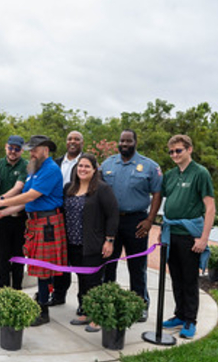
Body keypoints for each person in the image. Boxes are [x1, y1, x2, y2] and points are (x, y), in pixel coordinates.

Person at [0, 135, 67, 327]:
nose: (31, 153)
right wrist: (3, 212)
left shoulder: (50, 169)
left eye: (35, 150)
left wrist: (2, 201)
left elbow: (32, 195)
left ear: (46, 150)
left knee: (43, 268)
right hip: (37, 222)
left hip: (47, 223)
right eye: (30, 150)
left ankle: (43, 310)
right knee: (39, 267)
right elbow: (25, 199)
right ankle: (41, 302)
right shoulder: (34, 169)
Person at [100, 129, 162, 322]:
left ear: (135, 142)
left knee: (137, 266)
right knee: (108, 264)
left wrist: (150, 220)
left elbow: (157, 194)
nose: (124, 144)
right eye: (122, 141)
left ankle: (140, 305)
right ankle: (107, 303)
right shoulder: (108, 164)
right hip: (111, 221)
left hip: (137, 222)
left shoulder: (149, 166)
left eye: (128, 141)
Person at [161, 134, 215, 339]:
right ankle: (180, 315)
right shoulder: (170, 175)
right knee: (175, 278)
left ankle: (191, 320)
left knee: (190, 279)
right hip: (171, 234)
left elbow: (210, 208)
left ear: (189, 150)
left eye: (178, 150)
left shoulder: (200, 173)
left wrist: (203, 238)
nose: (174, 154)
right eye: (171, 151)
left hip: (190, 235)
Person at [64, 153, 119, 332]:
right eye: (80, 166)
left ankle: (98, 317)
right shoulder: (69, 188)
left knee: (94, 281)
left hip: (93, 243)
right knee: (82, 280)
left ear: (94, 169)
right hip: (73, 243)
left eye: (87, 166)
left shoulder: (102, 189)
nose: (83, 169)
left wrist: (109, 241)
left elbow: (112, 215)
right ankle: (86, 311)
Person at [48, 130, 84, 307]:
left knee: (78, 258)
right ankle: (58, 294)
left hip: (79, 215)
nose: (73, 141)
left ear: (81, 143)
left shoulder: (87, 164)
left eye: (76, 139)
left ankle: (83, 302)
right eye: (70, 138)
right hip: (57, 213)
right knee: (60, 257)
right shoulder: (56, 163)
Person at [0, 135, 28, 290]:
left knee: (18, 257)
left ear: (21, 150)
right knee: (2, 257)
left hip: (20, 218)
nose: (13, 152)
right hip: (1, 219)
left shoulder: (26, 166)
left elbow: (18, 188)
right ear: (6, 147)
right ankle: (2, 290)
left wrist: (0, 199)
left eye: (17, 149)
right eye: (11, 148)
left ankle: (17, 290)